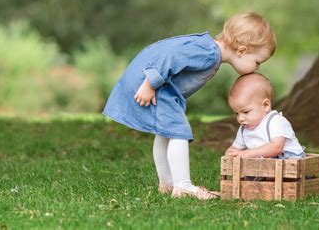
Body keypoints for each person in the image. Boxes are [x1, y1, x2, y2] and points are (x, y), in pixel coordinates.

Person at [103, 12, 276, 200]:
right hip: (154, 85)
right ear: (242, 50)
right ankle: (183, 185)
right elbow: (171, 56)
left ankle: (167, 184)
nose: (257, 67)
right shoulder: (209, 53)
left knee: (166, 132)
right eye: (257, 62)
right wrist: (149, 83)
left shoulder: (208, 49)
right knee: (179, 130)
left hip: (161, 89)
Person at [225, 73, 305, 160]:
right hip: (267, 163)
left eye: (246, 112)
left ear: (265, 105)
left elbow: (276, 148)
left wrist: (248, 153)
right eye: (237, 113)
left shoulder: (276, 121)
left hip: (288, 159)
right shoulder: (244, 129)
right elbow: (234, 148)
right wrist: (230, 153)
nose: (240, 118)